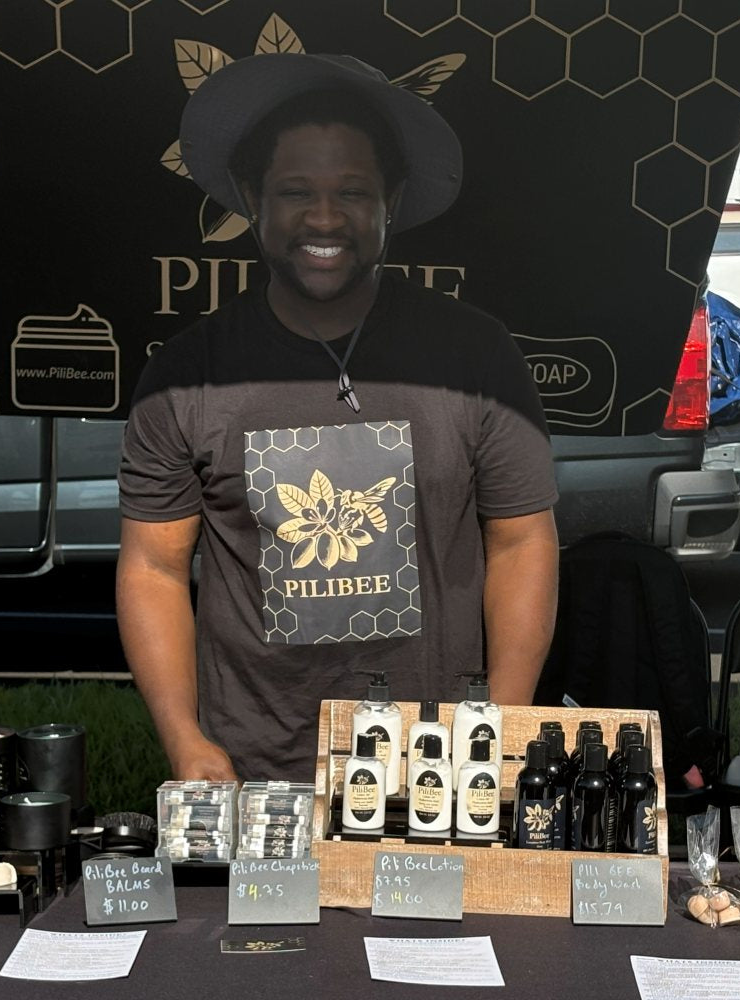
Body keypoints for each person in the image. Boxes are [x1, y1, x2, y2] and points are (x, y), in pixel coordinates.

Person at [117, 52, 558, 782]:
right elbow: (153, 568)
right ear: (254, 199)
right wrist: (187, 743)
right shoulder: (186, 375)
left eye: (352, 192)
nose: (324, 219)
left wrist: (501, 732)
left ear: (392, 201)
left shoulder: (474, 356)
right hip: (254, 773)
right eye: (296, 192)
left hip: (438, 766)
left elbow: (521, 543)